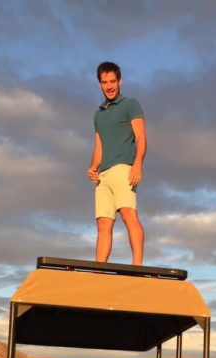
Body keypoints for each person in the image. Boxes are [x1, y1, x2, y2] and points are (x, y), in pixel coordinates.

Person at [87, 61, 146, 265]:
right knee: (103, 223)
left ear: (120, 81)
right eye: (105, 82)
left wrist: (137, 164)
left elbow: (141, 138)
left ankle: (137, 265)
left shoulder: (130, 104)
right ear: (100, 84)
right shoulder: (98, 114)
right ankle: (99, 270)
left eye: (113, 81)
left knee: (128, 214)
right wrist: (92, 168)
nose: (109, 86)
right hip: (103, 176)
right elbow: (99, 147)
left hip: (123, 168)